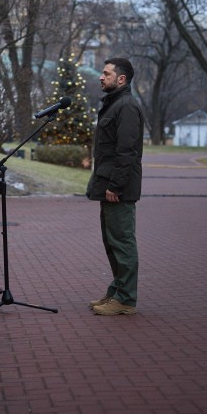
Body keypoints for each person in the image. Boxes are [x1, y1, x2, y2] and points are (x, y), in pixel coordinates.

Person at [87, 57, 145, 316]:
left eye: (106, 73)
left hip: (117, 189)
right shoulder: (114, 105)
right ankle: (117, 290)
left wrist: (116, 186)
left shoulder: (127, 107)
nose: (101, 76)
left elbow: (127, 152)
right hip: (108, 186)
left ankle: (126, 299)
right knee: (112, 242)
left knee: (122, 242)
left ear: (121, 79)